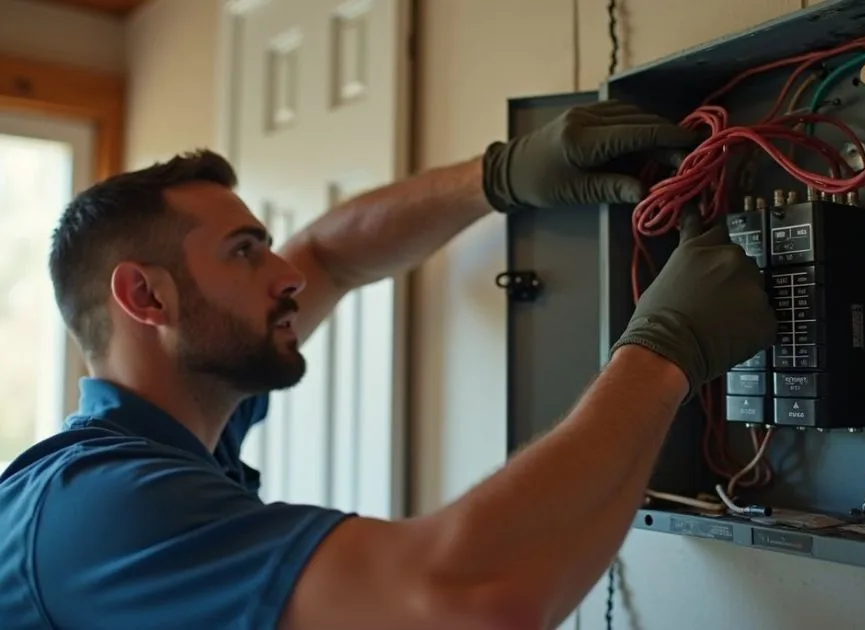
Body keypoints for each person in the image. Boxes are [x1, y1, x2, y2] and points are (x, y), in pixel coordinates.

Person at [0, 100, 775, 630]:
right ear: (146, 296)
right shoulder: (95, 507)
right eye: (244, 253)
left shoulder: (176, 431)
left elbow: (331, 253)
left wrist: (502, 175)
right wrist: (665, 350)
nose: (286, 275)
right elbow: (465, 604)